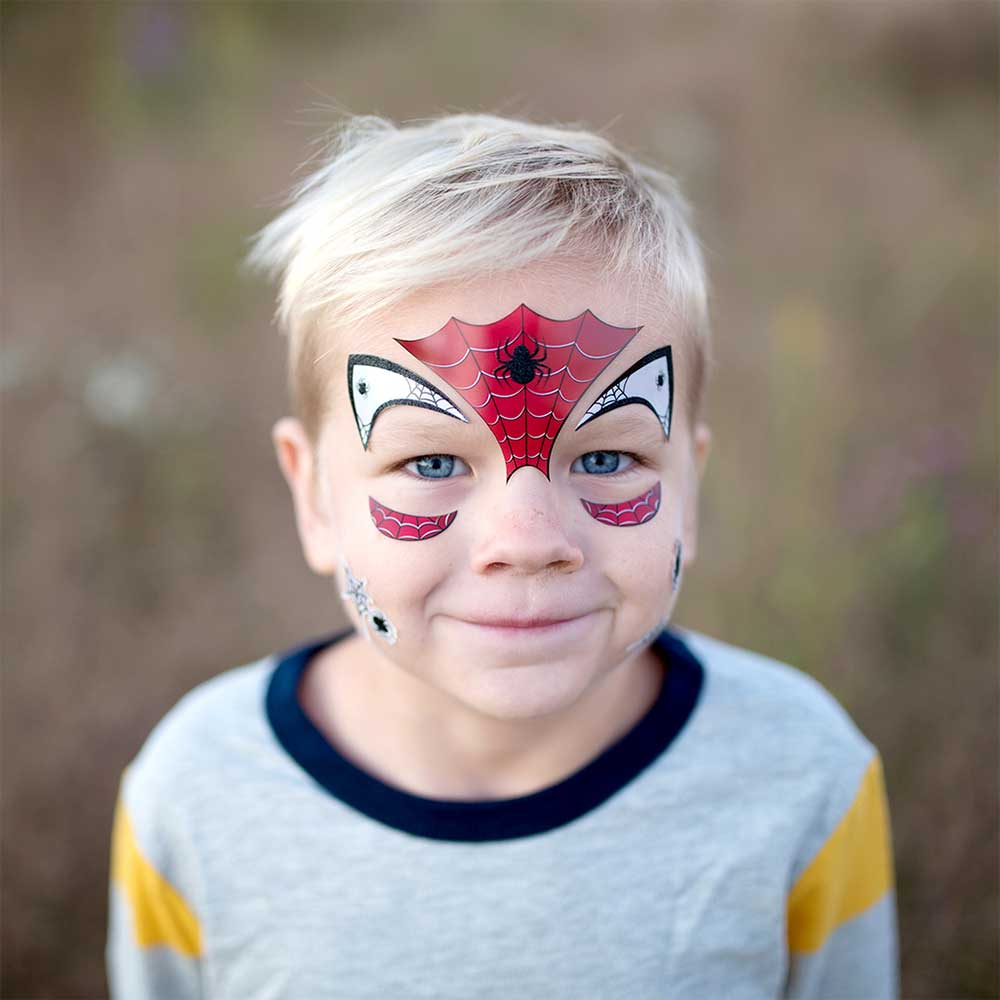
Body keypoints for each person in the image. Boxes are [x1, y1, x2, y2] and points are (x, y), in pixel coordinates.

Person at [106, 112, 899, 998]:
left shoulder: (803, 780)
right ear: (315, 498)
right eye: (431, 462)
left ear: (689, 483)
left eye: (606, 458)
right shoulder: (196, 796)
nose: (527, 544)